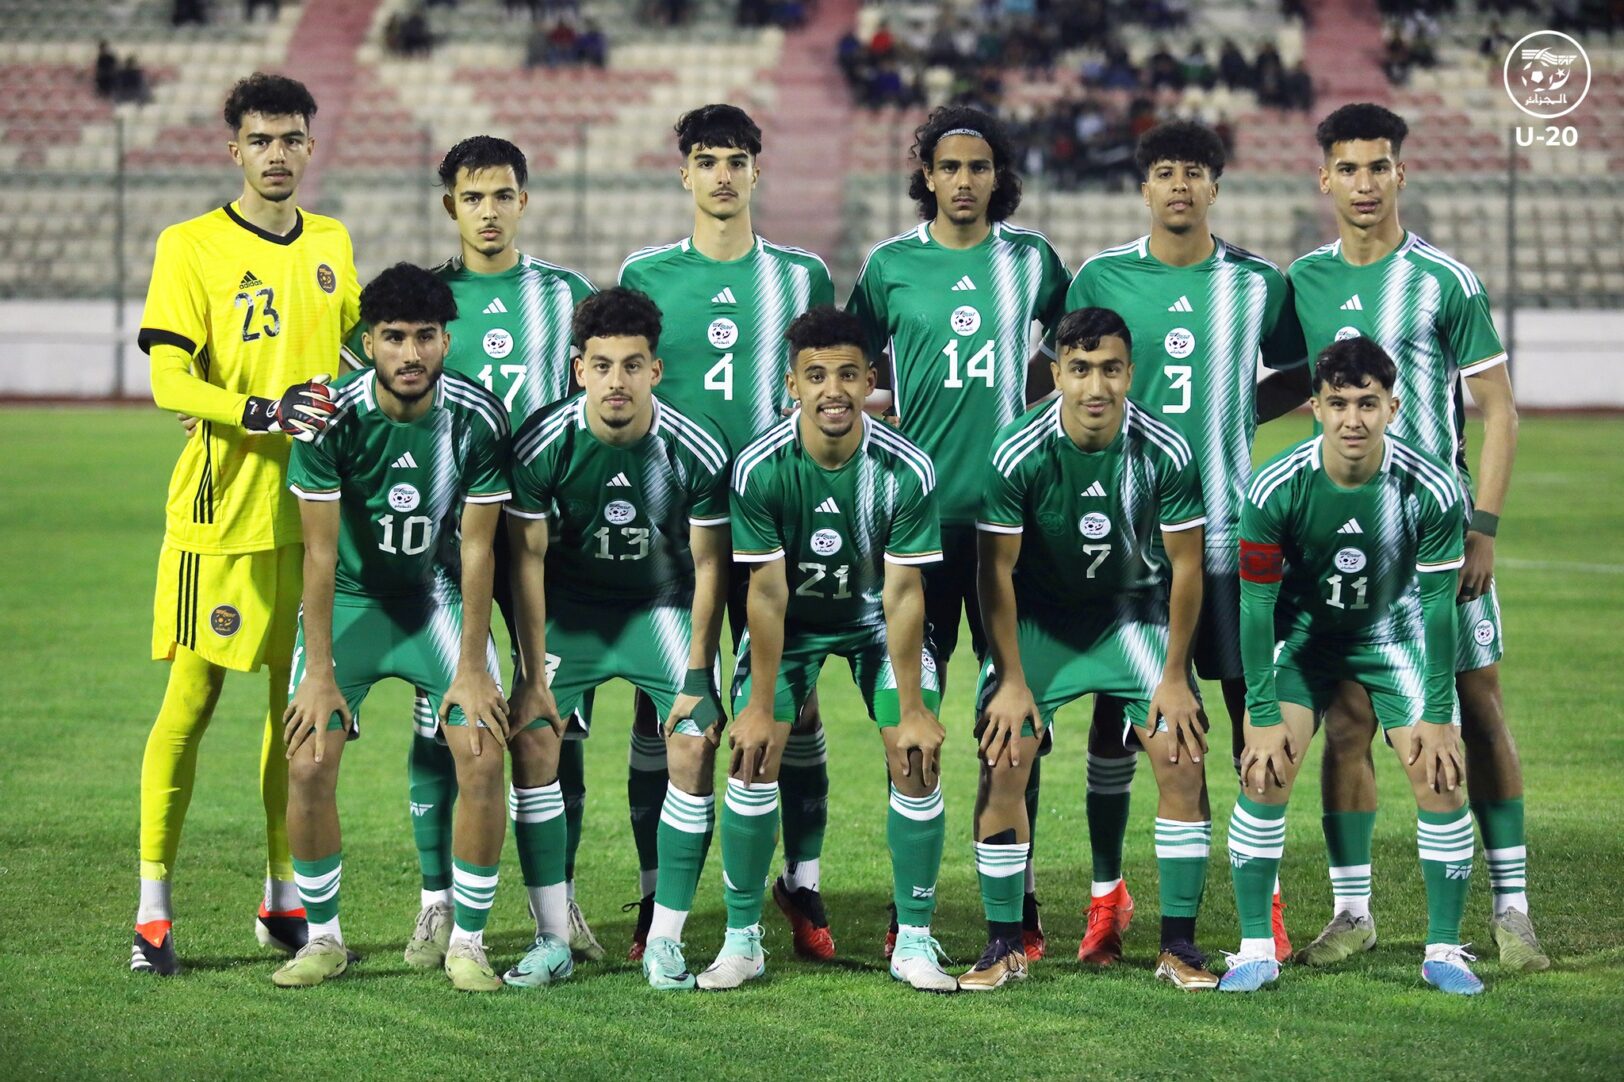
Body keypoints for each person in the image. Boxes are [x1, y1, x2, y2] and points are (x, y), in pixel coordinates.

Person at [1288, 103, 1545, 972]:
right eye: (1348, 168)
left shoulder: (1445, 280)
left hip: (1439, 539)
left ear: (1401, 173)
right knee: (1348, 718)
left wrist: (1484, 527)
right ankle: (1351, 910)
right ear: (1324, 178)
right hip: (1343, 545)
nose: (1364, 183)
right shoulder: (1304, 283)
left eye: (1379, 166)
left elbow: (1500, 410)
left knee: (1476, 708)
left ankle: (1513, 909)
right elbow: (1287, 386)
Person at [131, 73, 358, 976]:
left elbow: (357, 357)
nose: (277, 155)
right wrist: (261, 411)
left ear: (310, 146)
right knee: (189, 706)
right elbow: (168, 382)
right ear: (234, 148)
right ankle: (152, 911)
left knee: (291, 717)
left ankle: (281, 897)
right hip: (218, 516)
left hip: (309, 521)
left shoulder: (334, 243)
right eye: (260, 140)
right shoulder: (189, 247)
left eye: (291, 139)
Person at [1065, 119, 1304, 965]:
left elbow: (1302, 368)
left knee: (1250, 724)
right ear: (1144, 187)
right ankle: (1106, 897)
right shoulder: (1100, 276)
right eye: (1163, 171)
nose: (1178, 186)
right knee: (1113, 725)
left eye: (1194, 172)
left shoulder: (1256, 284)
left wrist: (1241, 414)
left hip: (1232, 536)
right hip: (1127, 548)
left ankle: (1262, 903)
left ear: (1216, 186)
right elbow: (1066, 374)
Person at [372, 136, 604, 972]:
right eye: (474, 197)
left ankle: (559, 899)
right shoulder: (426, 306)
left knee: (555, 718)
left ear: (524, 201)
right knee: (440, 720)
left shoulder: (567, 295)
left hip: (549, 536)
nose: (490, 211)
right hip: (446, 543)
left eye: (504, 195)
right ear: (451, 207)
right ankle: (437, 904)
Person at [847, 103, 1068, 959]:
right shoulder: (891, 267)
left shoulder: (1035, 261)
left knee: (1015, 721)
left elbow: (1075, 356)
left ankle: (1020, 900)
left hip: (1015, 531)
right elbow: (854, 370)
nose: (965, 181)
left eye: (980, 167)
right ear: (927, 176)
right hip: (921, 531)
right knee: (916, 717)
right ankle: (916, 918)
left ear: (997, 177)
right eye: (951, 167)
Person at [619, 104, 837, 961]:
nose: (721, 175)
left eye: (736, 160)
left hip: (780, 522)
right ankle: (652, 897)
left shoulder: (802, 275)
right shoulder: (645, 271)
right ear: (683, 174)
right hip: (677, 522)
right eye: (705, 160)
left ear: (757, 172)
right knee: (664, 704)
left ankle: (803, 879)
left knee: (799, 699)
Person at [696, 306, 956, 994]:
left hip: (875, 622)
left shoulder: (908, 469)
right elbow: (768, 596)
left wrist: (911, 708)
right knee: (753, 755)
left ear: (871, 378)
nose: (833, 390)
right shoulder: (760, 466)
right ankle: (742, 940)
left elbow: (902, 596)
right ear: (792, 385)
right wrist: (755, 706)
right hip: (796, 623)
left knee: (916, 753)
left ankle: (916, 943)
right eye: (816, 376)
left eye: (848, 374)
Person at [961, 307, 1216, 991]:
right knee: (1006, 749)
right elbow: (996, 574)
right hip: (1042, 623)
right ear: (1057, 374)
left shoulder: (1167, 449)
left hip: (1130, 618)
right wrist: (1011, 679)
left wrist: (1174, 676)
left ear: (1130, 373)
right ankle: (1002, 944)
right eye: (1079, 370)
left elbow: (1187, 569)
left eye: (1109, 369)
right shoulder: (1018, 450)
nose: (1095, 386)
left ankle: (1179, 947)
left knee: (1179, 747)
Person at [275, 263, 511, 992]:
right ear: (369, 341)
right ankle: (322, 939)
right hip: (348, 604)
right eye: (394, 338)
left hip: (431, 602)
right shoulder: (329, 415)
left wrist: (472, 666)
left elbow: (477, 549)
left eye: (426, 338)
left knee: (481, 751)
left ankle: (467, 942)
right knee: (309, 758)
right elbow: (318, 552)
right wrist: (317, 674)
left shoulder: (478, 417)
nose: (411, 354)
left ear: (447, 339)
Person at [1220, 336, 1482, 995]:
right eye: (1338, 404)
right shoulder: (1277, 485)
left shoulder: (1433, 487)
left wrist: (1443, 715)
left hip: (1393, 641)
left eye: (1368, 404)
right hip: (1307, 643)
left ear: (1394, 406)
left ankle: (1445, 952)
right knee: (1263, 770)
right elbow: (1256, 608)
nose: (1353, 420)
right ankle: (1255, 949)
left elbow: (1439, 610)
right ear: (1315, 407)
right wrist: (1257, 713)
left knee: (1442, 775)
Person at [505, 287, 731, 991]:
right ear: (579, 370)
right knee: (534, 736)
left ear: (655, 372)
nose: (617, 382)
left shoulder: (695, 447)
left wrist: (698, 675)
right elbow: (528, 562)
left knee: (694, 741)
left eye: (633, 366)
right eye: (602, 366)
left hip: (658, 608)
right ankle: (551, 937)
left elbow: (708, 565)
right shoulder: (544, 443)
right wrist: (531, 676)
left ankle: (664, 941)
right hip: (571, 613)